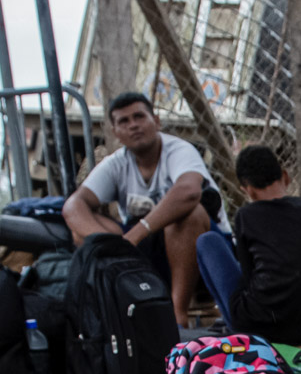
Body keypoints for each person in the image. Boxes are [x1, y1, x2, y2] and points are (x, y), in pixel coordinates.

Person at [63, 91, 214, 326]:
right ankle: (118, 306)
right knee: (80, 230)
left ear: (156, 121)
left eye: (139, 117)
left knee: (188, 215)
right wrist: (114, 245)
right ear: (115, 132)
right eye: (124, 121)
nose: (133, 125)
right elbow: (73, 206)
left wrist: (135, 234)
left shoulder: (179, 150)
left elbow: (189, 191)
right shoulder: (116, 163)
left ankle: (178, 315)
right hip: (142, 253)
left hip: (201, 250)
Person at [193, 144, 301, 344]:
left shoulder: (246, 215)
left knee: (207, 241)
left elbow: (249, 278)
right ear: (285, 176)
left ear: (248, 190)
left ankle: (227, 328)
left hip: (256, 328)